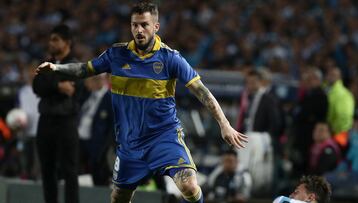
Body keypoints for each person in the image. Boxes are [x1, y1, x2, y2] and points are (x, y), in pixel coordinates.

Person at [36, 2, 247, 203]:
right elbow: (85, 69)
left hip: (164, 138)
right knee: (119, 197)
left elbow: (202, 91)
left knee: (189, 186)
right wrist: (57, 68)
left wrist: (225, 124)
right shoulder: (116, 55)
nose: (139, 30)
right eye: (134, 24)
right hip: (130, 144)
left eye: (144, 24)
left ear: (155, 26)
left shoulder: (170, 58)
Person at [33, 24, 81, 203]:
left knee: (70, 170)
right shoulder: (46, 63)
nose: (51, 43)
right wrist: (58, 86)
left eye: (55, 40)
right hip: (45, 121)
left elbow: (76, 90)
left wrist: (50, 85)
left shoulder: (75, 65)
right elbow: (37, 86)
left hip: (66, 122)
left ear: (67, 42)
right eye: (50, 39)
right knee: (47, 169)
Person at [78, 74, 114, 186]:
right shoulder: (87, 94)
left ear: (97, 81)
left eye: (88, 81)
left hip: (98, 144)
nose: (86, 84)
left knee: (99, 175)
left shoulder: (109, 97)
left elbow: (113, 125)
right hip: (81, 140)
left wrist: (106, 145)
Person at [325, 66, 355, 148]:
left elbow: (344, 116)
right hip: (330, 132)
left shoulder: (344, 94)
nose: (331, 77)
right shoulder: (328, 91)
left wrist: (334, 132)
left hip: (339, 134)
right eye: (329, 74)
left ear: (340, 77)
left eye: (334, 75)